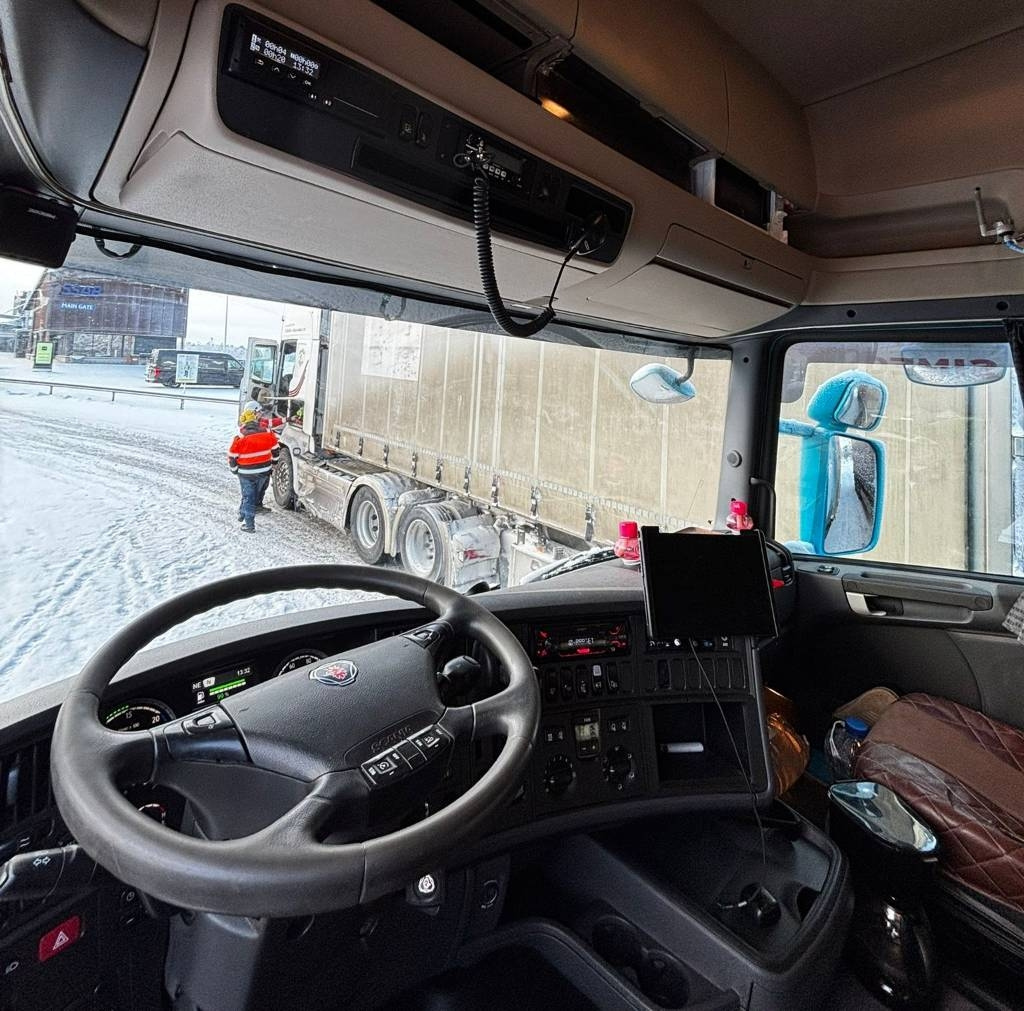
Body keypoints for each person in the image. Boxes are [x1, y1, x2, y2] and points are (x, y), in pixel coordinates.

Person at [228, 401, 280, 533]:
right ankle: (242, 513)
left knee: (248, 496)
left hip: (246, 473)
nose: (261, 414)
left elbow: (232, 456)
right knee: (254, 494)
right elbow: (276, 450)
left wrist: (235, 470)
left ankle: (249, 525)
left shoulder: (240, 437)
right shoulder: (267, 433)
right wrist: (273, 464)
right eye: (259, 412)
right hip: (264, 471)